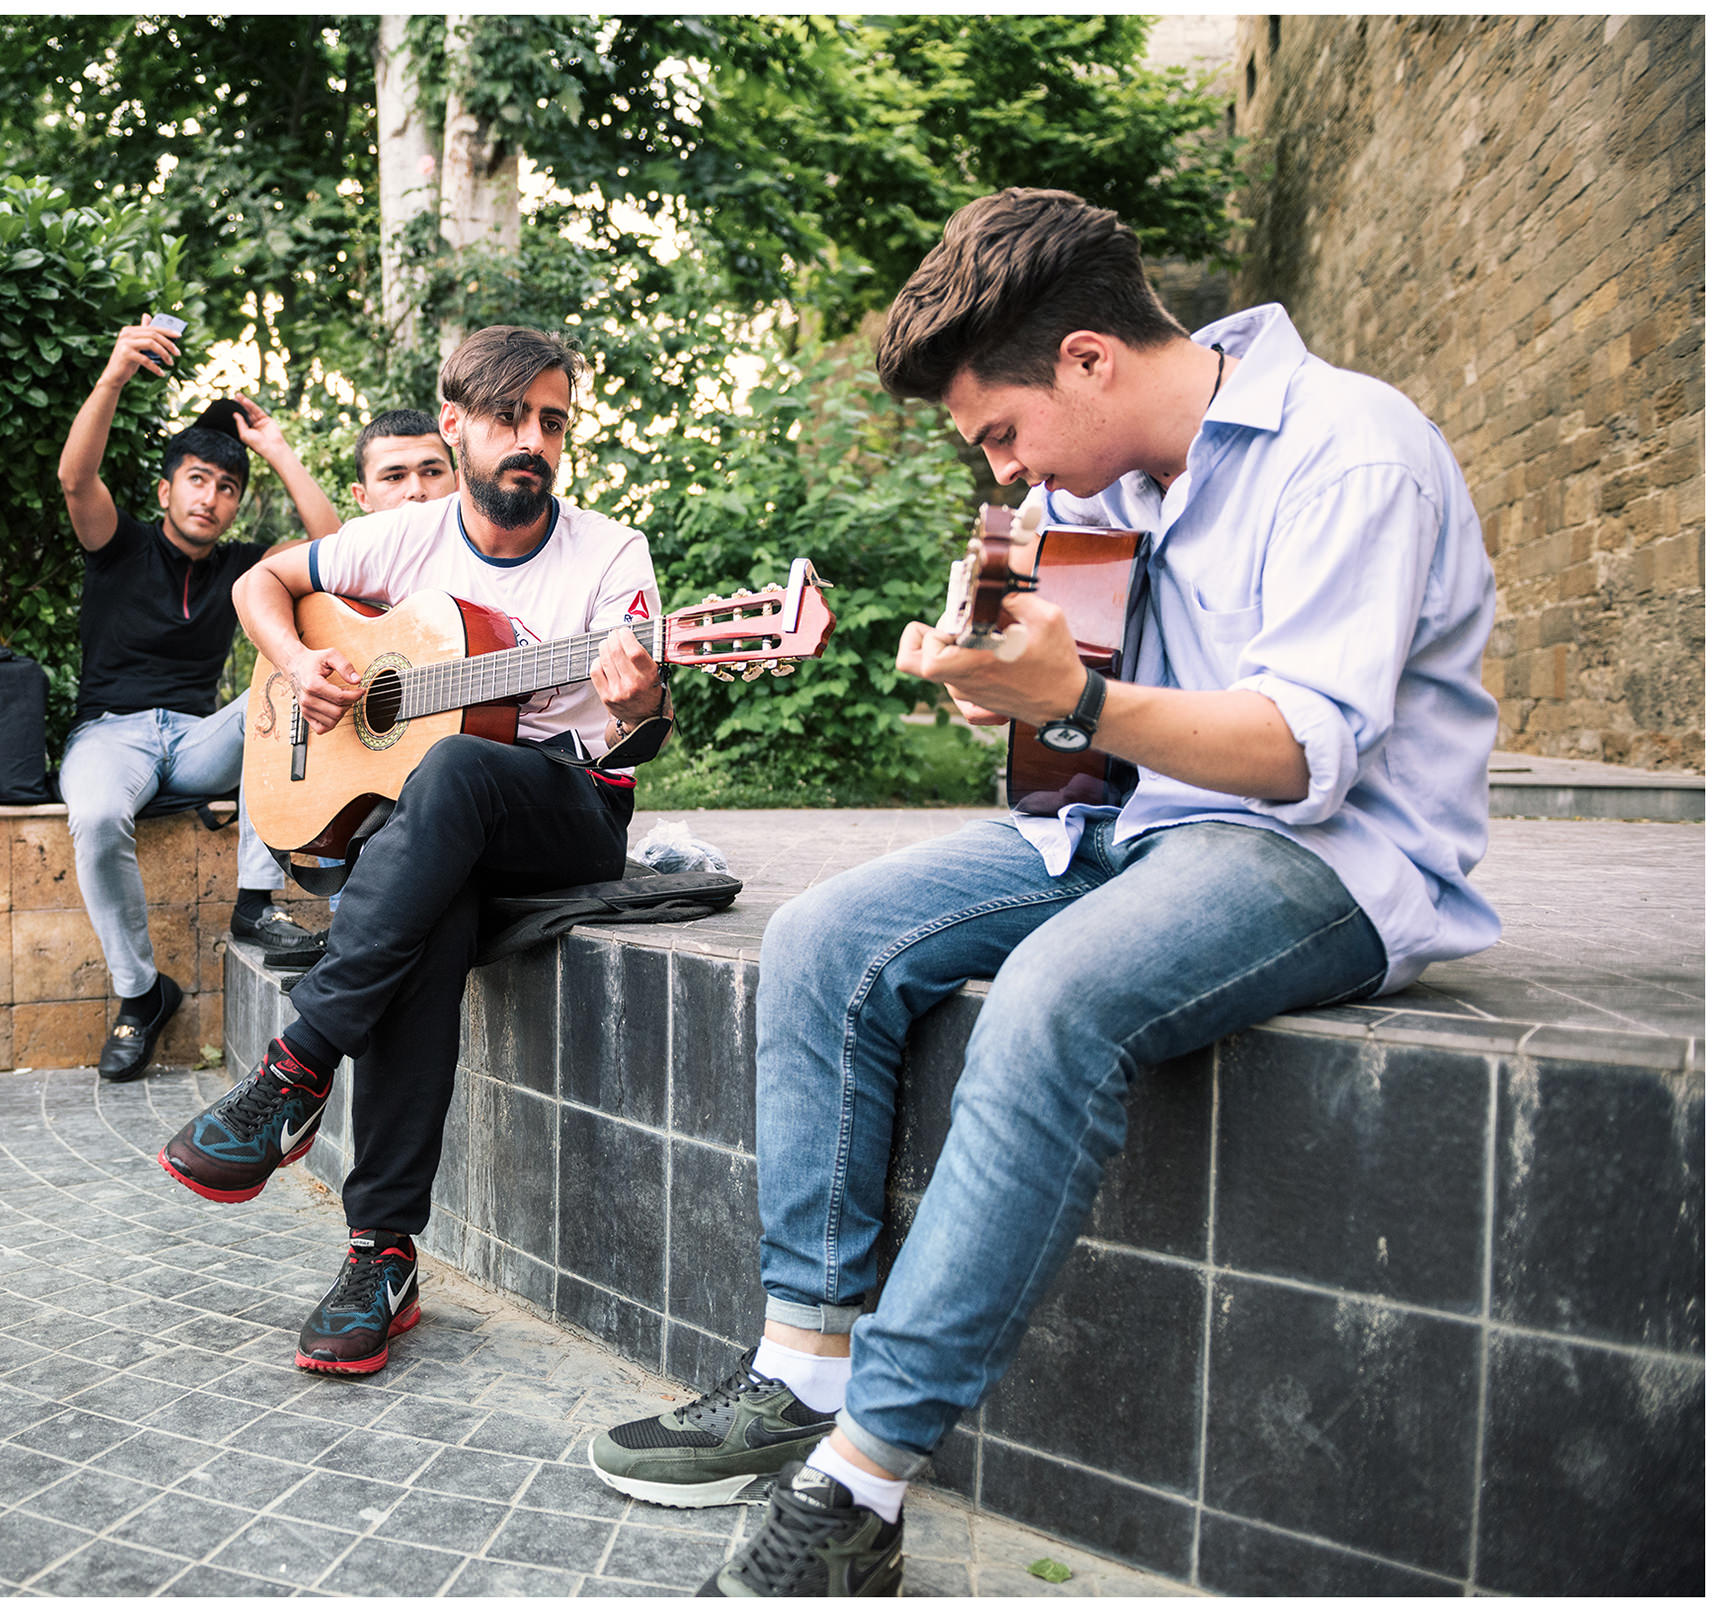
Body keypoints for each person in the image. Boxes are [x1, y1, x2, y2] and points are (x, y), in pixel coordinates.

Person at [589, 187, 1501, 1597]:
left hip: (1330, 857)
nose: (1005, 476)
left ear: (1087, 358)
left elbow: (1298, 754)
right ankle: (803, 1363)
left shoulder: (1351, 451)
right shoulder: (1103, 488)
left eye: (1000, 437)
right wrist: (1014, 697)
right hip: (1133, 825)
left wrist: (1072, 695)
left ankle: (863, 1482)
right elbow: (1085, 713)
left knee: (1054, 1000)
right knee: (827, 934)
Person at [157, 325, 671, 1376]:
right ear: (457, 426)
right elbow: (265, 580)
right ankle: (379, 1258)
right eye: (510, 418)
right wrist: (301, 662)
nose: (535, 438)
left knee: (452, 778)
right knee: (428, 900)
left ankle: (295, 1068)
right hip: (449, 829)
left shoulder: (612, 555)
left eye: (553, 421)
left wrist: (640, 699)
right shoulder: (408, 538)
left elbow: (637, 736)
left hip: (568, 811)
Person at [54, 329, 334, 1081]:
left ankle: (254, 901)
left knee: (283, 680)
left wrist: (275, 448)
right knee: (98, 816)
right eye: (198, 480)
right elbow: (77, 479)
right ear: (166, 489)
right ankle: (141, 994)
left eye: (227, 488)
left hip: (198, 741)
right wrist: (114, 373)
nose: (210, 498)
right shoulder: (120, 545)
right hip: (111, 737)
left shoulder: (245, 568)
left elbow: (336, 544)